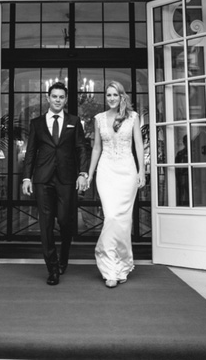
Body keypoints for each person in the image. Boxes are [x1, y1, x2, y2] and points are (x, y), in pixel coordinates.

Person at [22, 82, 89, 286]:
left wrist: (82, 173)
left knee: (65, 221)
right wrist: (27, 177)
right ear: (48, 98)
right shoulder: (37, 123)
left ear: (66, 99)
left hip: (67, 179)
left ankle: (64, 257)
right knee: (46, 223)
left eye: (61, 97)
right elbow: (31, 152)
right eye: (54, 96)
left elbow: (81, 148)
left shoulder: (74, 121)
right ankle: (52, 268)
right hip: (43, 179)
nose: (58, 100)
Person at [86, 81, 145, 288]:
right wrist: (90, 174)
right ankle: (109, 267)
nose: (111, 98)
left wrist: (141, 171)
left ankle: (121, 266)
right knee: (111, 216)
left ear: (122, 97)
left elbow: (139, 144)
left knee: (123, 220)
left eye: (115, 95)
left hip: (127, 172)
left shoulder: (133, 117)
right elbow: (96, 148)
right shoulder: (99, 119)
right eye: (108, 95)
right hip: (106, 171)